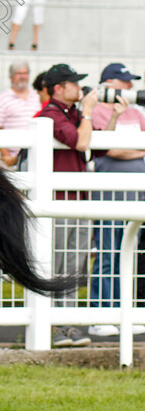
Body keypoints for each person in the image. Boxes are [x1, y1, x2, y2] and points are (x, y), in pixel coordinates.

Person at [36, 64, 97, 348]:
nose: (79, 88)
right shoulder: (50, 114)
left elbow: (99, 146)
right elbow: (80, 141)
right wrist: (86, 112)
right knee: (57, 265)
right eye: (74, 83)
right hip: (59, 203)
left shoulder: (70, 113)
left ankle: (66, 325)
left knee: (73, 266)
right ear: (59, 87)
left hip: (76, 201)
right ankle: (56, 327)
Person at [87, 63, 145, 337]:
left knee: (131, 255)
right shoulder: (96, 110)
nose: (130, 88)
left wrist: (129, 151)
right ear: (109, 84)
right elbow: (107, 149)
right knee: (108, 254)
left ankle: (126, 312)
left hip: (137, 195)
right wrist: (135, 151)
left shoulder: (136, 112)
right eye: (125, 82)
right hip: (109, 192)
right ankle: (102, 314)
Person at [0, 62, 41, 168]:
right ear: (11, 77)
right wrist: (7, 157)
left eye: (25, 73)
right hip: (13, 157)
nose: (23, 76)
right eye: (19, 73)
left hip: (35, 154)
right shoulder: (2, 99)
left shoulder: (37, 96)